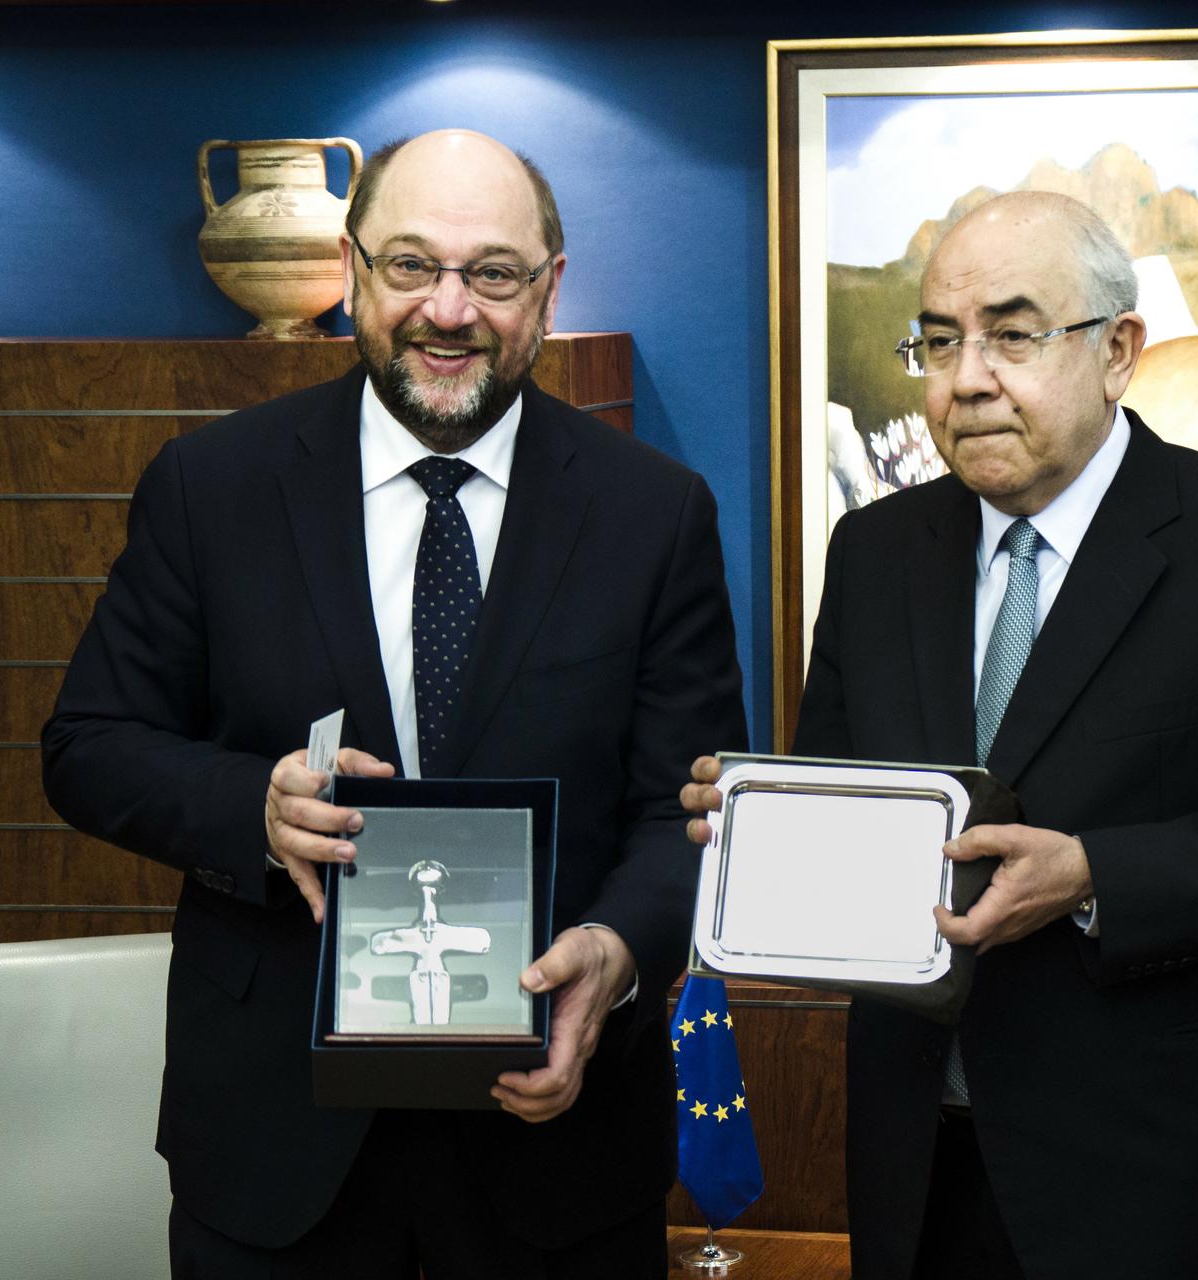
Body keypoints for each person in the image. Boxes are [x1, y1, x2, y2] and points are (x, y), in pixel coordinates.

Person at [43, 129, 746, 1278]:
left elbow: (685, 812)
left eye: (494, 273)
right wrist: (252, 810)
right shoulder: (210, 487)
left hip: (557, 1148)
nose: (450, 309)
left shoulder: (653, 513)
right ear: (356, 268)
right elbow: (89, 745)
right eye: (411, 265)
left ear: (551, 284)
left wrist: (616, 953)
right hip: (277, 1145)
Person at [683, 190, 1198, 1279]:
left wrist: (1090, 874)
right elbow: (848, 810)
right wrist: (756, 829)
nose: (967, 377)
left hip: (1153, 1180)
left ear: (1118, 350)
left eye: (1013, 335)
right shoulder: (877, 552)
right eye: (939, 340)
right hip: (917, 1174)